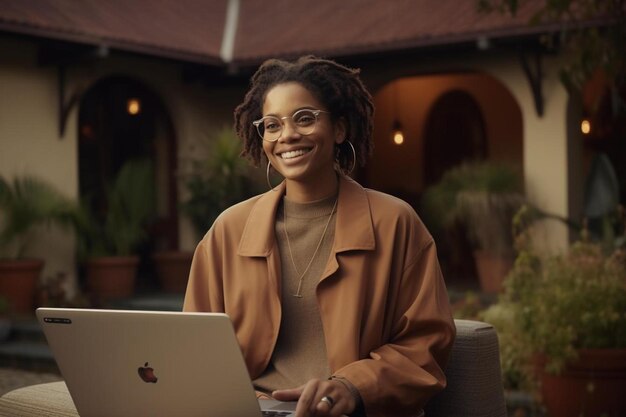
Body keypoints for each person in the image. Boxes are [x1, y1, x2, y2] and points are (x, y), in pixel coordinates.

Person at [183, 56, 455, 417]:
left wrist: (351, 387)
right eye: (272, 125)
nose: (288, 135)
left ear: (339, 129)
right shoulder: (229, 231)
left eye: (305, 118)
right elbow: (193, 343)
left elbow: (426, 345)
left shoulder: (395, 223)